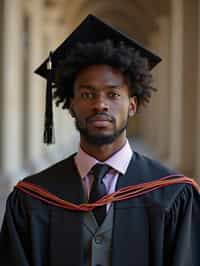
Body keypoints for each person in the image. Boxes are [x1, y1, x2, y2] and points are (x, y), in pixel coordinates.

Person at [0, 14, 200, 266]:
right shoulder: (32, 199)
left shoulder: (172, 194)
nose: (100, 104)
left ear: (132, 105)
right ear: (70, 105)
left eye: (113, 93)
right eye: (87, 94)